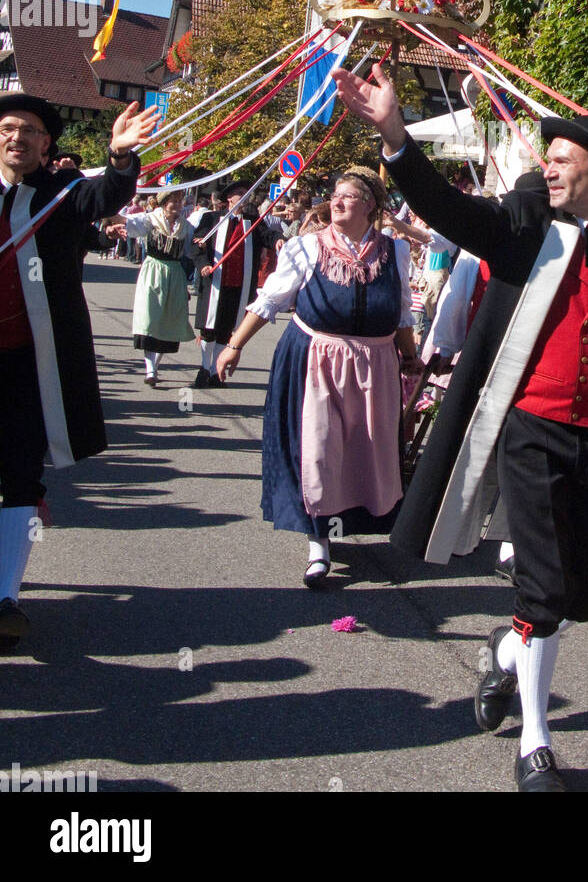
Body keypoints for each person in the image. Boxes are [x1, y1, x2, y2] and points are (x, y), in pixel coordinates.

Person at [333, 62, 588, 793]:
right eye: (547, 159)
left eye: (561, 161)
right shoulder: (527, 229)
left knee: (584, 593)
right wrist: (394, 134)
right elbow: (450, 212)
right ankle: (535, 742)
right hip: (531, 430)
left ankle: (504, 656)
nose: (546, 169)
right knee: (544, 585)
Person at [0, 92, 157, 648]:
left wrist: (119, 157)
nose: (17, 137)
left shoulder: (62, 195)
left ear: (47, 145)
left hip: (30, 362)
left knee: (19, 472)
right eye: (8, 128)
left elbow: (106, 196)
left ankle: (6, 598)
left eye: (30, 131)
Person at [215, 166, 417, 588]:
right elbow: (269, 300)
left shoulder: (395, 252)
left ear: (371, 206)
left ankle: (353, 524)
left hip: (374, 367)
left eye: (348, 196)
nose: (337, 201)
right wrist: (234, 345)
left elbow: (401, 313)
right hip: (315, 360)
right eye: (335, 194)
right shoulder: (307, 248)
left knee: (364, 450)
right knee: (319, 449)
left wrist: (411, 357)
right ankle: (318, 545)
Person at [190, 181, 267, 388]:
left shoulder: (253, 221)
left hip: (239, 285)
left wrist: (278, 240)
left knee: (225, 329)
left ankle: (215, 372)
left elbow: (269, 236)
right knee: (209, 328)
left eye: (246, 193)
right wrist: (204, 264)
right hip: (215, 284)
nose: (244, 196)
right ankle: (204, 368)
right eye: (239, 193)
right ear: (229, 198)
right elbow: (196, 246)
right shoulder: (212, 219)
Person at [125, 188, 195, 386]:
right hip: (153, 270)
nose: (178, 205)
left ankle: (155, 366)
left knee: (170, 321)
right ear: (164, 203)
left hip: (175, 273)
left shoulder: (186, 227)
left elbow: (190, 251)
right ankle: (150, 370)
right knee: (150, 317)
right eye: (174, 201)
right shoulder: (150, 220)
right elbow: (131, 224)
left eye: (180, 201)